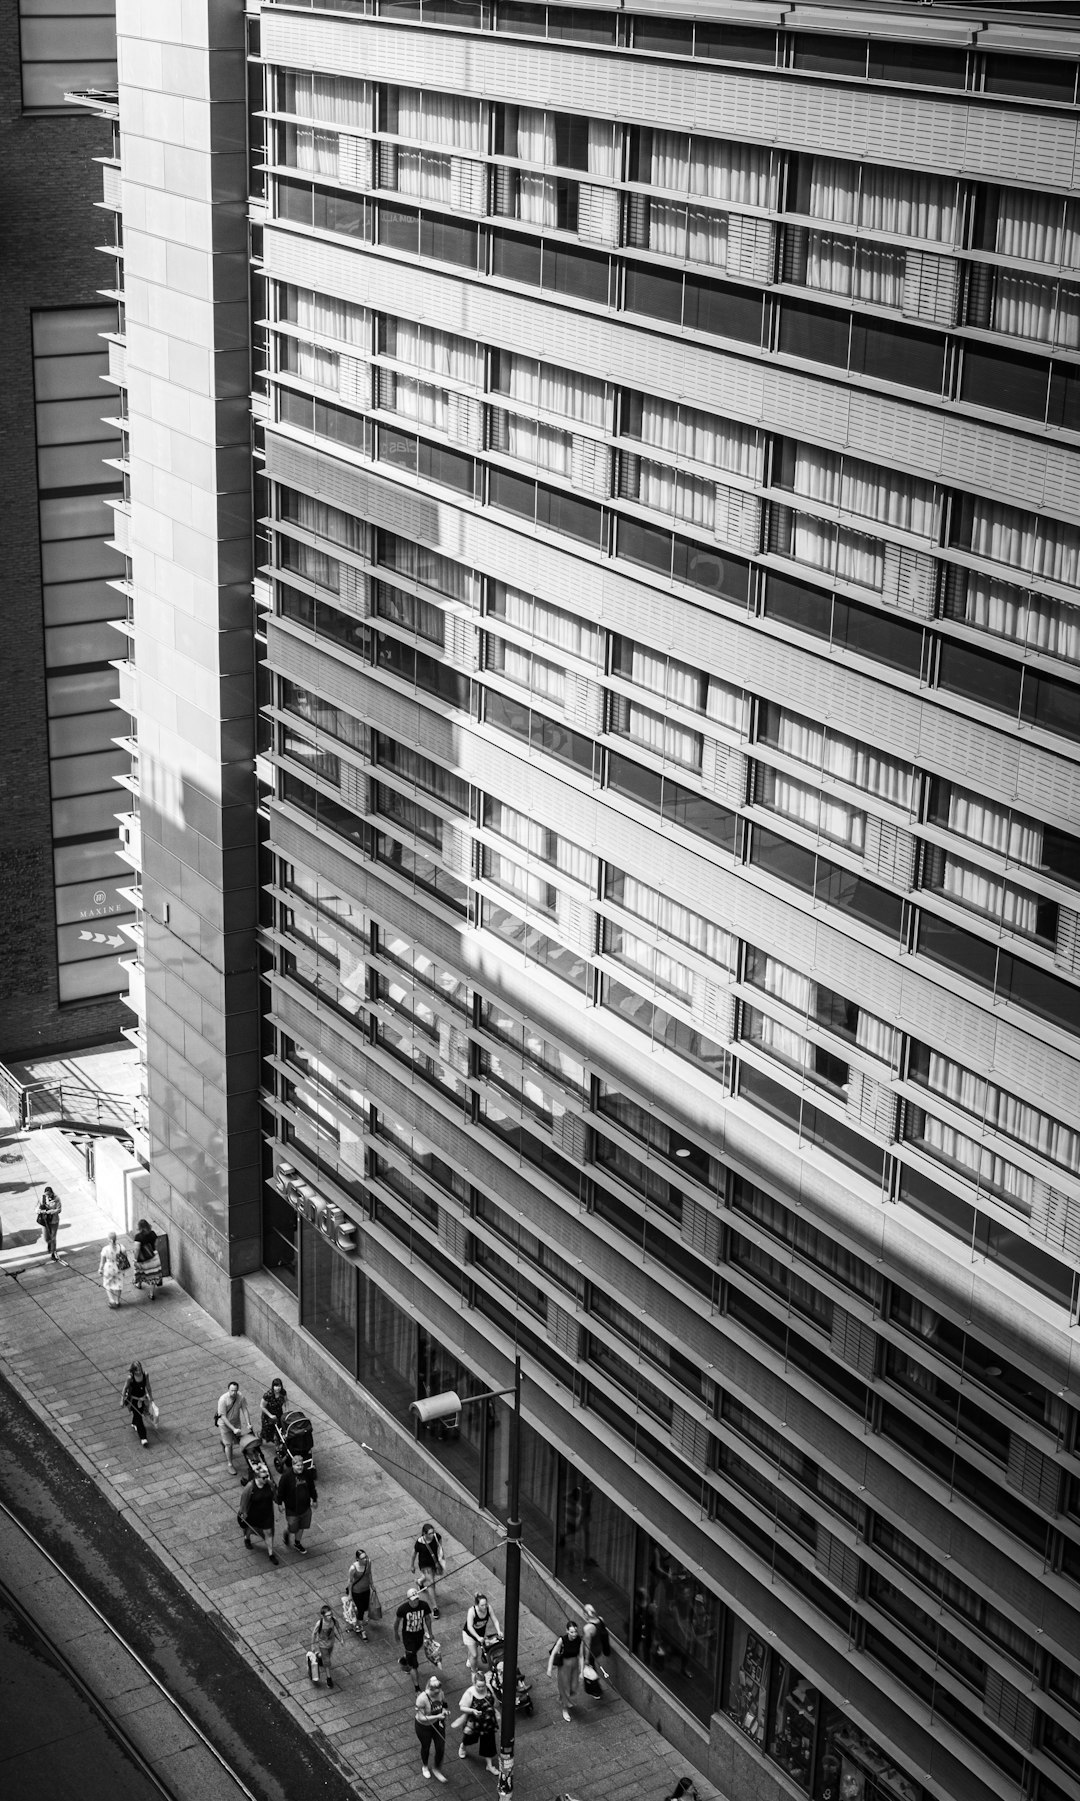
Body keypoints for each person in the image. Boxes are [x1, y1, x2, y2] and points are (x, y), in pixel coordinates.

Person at [455, 1667, 498, 1773]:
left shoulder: (488, 1687)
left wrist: (495, 1711)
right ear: (474, 1683)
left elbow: (494, 1700)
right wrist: (472, 1711)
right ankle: (463, 1746)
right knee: (469, 1738)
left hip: (488, 1723)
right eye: (479, 1686)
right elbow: (462, 1707)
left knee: (489, 1743)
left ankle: (489, 1765)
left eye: (483, 1685)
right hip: (475, 1723)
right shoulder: (470, 1693)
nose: (481, 1688)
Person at [276, 1451, 317, 1554]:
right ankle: (287, 1531)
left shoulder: (307, 1474)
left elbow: (312, 1487)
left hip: (305, 1507)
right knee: (293, 1527)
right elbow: (280, 1490)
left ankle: (297, 1543)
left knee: (302, 1526)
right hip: (292, 1509)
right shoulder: (286, 1476)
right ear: (293, 1466)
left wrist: (314, 1499)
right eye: (298, 1466)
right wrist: (279, 1503)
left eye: (301, 1465)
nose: (300, 1468)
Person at [395, 1583, 433, 1691]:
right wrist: (396, 1633)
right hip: (408, 1636)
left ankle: (405, 1658)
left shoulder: (424, 1605)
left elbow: (428, 1619)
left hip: (419, 1634)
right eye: (413, 1600)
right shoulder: (403, 1609)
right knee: (414, 1664)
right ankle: (417, 1688)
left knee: (414, 1650)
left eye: (416, 1599)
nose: (415, 1601)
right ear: (409, 1600)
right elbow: (397, 1622)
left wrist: (430, 1633)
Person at [239, 1464, 279, 1564]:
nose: (267, 1478)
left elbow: (274, 1495)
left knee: (269, 1533)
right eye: (264, 1477)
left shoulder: (269, 1484)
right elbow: (243, 1502)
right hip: (253, 1514)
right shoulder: (250, 1487)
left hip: (267, 1514)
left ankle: (271, 1554)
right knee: (250, 1529)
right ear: (257, 1477)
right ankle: (247, 1538)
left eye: (268, 1476)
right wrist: (243, 1514)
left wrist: (278, 1502)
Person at [415, 1674, 449, 1782]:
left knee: (440, 1747)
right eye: (435, 1692)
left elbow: (444, 1704)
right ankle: (425, 1766)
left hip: (437, 1724)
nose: (437, 1694)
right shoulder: (421, 1699)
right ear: (430, 1689)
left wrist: (444, 1711)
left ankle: (436, 1768)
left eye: (439, 1692)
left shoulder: (440, 1693)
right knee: (426, 1747)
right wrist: (438, 1716)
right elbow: (421, 1717)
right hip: (424, 1727)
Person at [547, 1618, 583, 1723]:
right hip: (564, 1667)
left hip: (575, 1665)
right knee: (565, 1689)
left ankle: (564, 1700)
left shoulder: (579, 1640)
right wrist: (549, 1668)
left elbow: (581, 1656)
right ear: (567, 1631)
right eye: (572, 1632)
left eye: (575, 1631)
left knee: (574, 1687)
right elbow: (553, 1653)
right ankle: (565, 1708)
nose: (574, 1634)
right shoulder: (562, 1640)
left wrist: (582, 1670)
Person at [215, 1378, 251, 1477]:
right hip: (225, 1425)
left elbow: (244, 1409)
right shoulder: (223, 1400)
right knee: (229, 1445)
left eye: (235, 1390)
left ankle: (224, 1441)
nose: (234, 1392)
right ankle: (230, 1464)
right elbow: (223, 1417)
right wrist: (233, 1429)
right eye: (232, 1390)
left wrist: (248, 1423)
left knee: (235, 1441)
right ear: (228, 1390)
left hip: (236, 1422)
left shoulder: (240, 1397)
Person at [411, 1521, 445, 1619]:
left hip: (434, 1563)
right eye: (430, 1533)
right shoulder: (419, 1542)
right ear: (424, 1533)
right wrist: (412, 1565)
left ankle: (419, 1581)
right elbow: (414, 1554)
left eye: (432, 1532)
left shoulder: (436, 1537)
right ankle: (435, 1608)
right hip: (424, 1564)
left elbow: (440, 1547)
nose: (432, 1534)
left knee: (430, 1578)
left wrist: (440, 1559)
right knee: (431, 1582)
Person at [462, 1592, 501, 1672]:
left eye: (485, 1604)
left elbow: (495, 1620)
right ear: (477, 1605)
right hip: (469, 1635)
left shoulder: (489, 1608)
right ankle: (474, 1671)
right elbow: (469, 1626)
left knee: (473, 1648)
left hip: (480, 1634)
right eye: (482, 1605)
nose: (484, 1607)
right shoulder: (472, 1611)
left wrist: (499, 1631)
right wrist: (477, 1637)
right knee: (475, 1654)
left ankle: (470, 1660)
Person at [121, 1360, 154, 1448]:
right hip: (134, 1401)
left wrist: (151, 1398)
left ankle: (134, 1423)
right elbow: (125, 1388)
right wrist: (122, 1400)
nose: (139, 1372)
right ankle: (143, 1438)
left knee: (140, 1412)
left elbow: (148, 1386)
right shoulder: (130, 1378)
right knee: (139, 1416)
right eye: (136, 1370)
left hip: (143, 1398)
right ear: (133, 1370)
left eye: (140, 1369)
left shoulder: (145, 1375)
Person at [581, 1603, 611, 1699]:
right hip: (599, 1648)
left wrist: (585, 1660)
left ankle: (595, 1690)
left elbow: (587, 1645)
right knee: (592, 1666)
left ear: (586, 1614)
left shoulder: (588, 1628)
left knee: (590, 1669)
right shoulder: (600, 1620)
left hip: (591, 1652)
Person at [311, 1603, 343, 1689]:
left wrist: (341, 1638)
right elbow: (314, 1633)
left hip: (331, 1643)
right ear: (323, 1616)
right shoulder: (320, 1623)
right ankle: (329, 1678)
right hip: (323, 1645)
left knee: (326, 1656)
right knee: (327, 1662)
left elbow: (338, 1628)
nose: (330, 1616)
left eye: (331, 1614)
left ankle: (318, 1656)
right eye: (328, 1615)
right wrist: (313, 1644)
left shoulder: (333, 1620)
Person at [346, 1548, 373, 1640]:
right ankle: (360, 1627)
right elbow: (350, 1581)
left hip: (366, 1589)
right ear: (357, 1559)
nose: (365, 1559)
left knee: (365, 1607)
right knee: (361, 1610)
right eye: (362, 1558)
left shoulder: (369, 1563)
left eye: (365, 1557)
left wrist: (372, 1584)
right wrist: (350, 1594)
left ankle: (358, 1616)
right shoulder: (353, 1568)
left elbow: (369, 1574)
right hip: (356, 1591)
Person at [132, 1218, 163, 1295]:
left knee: (140, 1271)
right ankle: (151, 1294)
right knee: (153, 1276)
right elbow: (156, 1244)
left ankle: (139, 1284)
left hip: (143, 1259)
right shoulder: (152, 1233)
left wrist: (135, 1259)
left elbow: (137, 1249)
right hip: (153, 1257)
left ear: (139, 1227)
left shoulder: (138, 1237)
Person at [99, 1233, 125, 1308]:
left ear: (108, 1239)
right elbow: (125, 1257)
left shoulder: (105, 1249)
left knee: (107, 1283)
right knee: (119, 1284)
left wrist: (100, 1269)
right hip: (119, 1267)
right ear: (116, 1239)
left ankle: (111, 1300)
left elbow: (102, 1262)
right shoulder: (121, 1247)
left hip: (109, 1268)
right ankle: (117, 1301)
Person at [260, 1376, 288, 1444]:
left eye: (279, 1386)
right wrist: (270, 1415)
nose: (277, 1388)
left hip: (279, 1414)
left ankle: (277, 1445)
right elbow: (262, 1406)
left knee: (279, 1431)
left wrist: (287, 1412)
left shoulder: (283, 1393)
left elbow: (286, 1402)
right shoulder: (268, 1395)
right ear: (273, 1386)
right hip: (268, 1416)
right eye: (276, 1386)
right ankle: (260, 1438)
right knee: (267, 1431)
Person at [37, 1187, 61, 1260]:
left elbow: (59, 1209)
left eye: (49, 1195)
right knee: (46, 1237)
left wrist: (50, 1211)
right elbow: (36, 1209)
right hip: (45, 1221)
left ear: (51, 1193)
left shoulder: (56, 1199)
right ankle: (49, 1243)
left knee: (53, 1237)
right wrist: (40, 1211)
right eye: (46, 1195)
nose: (48, 1196)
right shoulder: (42, 1199)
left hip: (54, 1220)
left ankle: (53, 1253)